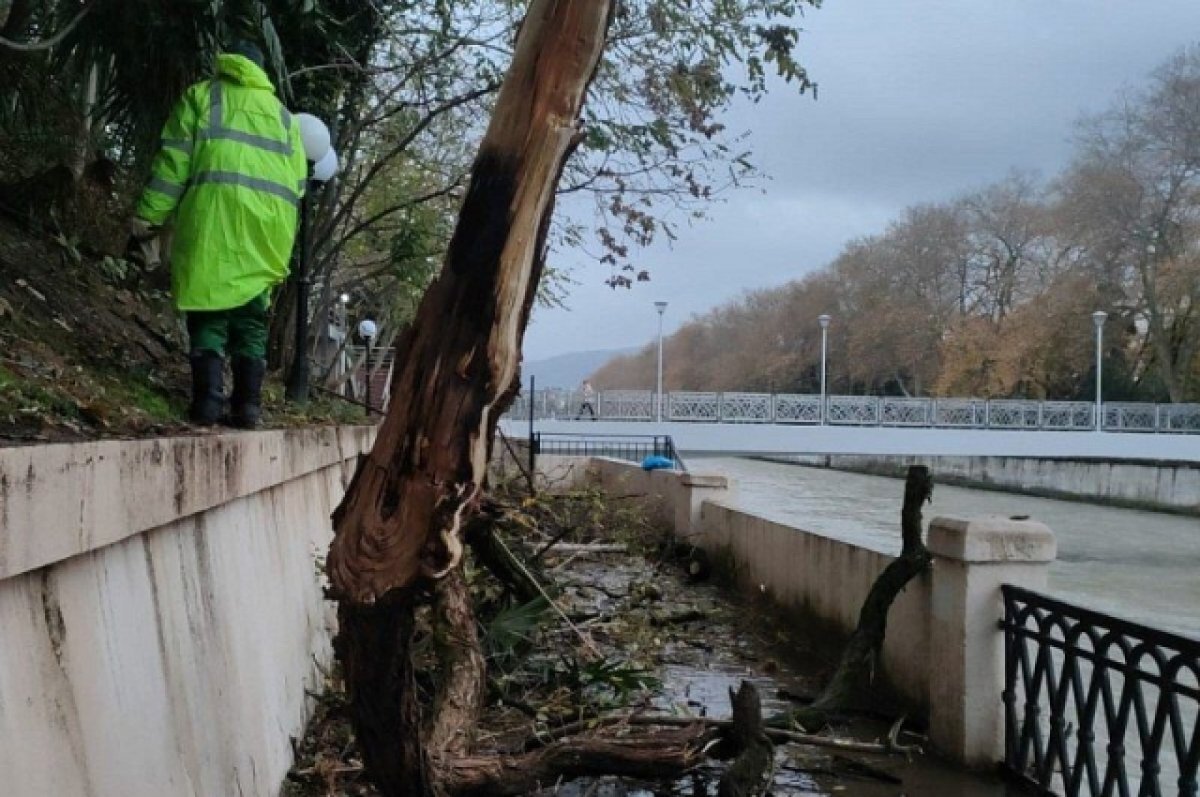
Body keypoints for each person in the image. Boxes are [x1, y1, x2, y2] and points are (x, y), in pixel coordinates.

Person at [130, 39, 307, 428]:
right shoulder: (284, 118)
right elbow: (297, 184)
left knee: (208, 310)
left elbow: (172, 167)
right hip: (268, 232)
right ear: (263, 70)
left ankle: (207, 405)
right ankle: (248, 407)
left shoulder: (202, 97)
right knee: (251, 318)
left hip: (212, 221)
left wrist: (148, 219)